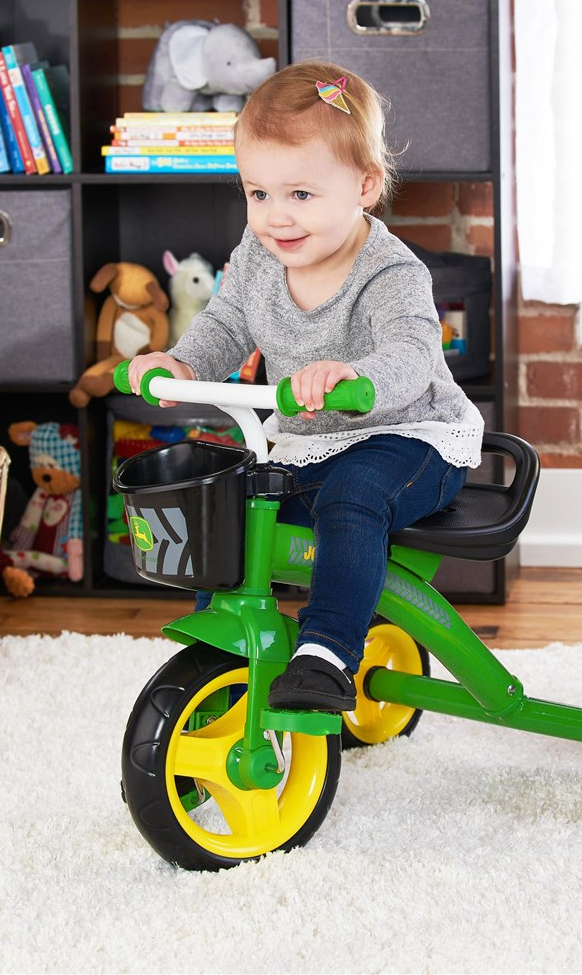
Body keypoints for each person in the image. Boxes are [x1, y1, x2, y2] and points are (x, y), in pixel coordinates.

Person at [127, 60, 484, 712]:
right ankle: (224, 660)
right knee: (231, 513)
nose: (276, 218)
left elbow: (411, 355)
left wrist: (354, 378)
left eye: (300, 195)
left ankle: (326, 653)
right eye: (257, 193)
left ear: (365, 186)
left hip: (408, 436)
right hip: (305, 440)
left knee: (352, 500)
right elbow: (227, 323)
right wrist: (180, 365)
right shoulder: (262, 255)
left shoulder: (390, 273)